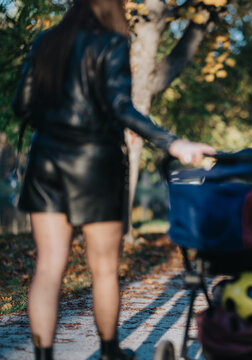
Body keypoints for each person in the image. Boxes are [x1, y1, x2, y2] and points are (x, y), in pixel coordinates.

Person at [11, 1, 215, 359]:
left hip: (46, 161)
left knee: (48, 266)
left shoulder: (46, 41)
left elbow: (21, 103)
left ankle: (43, 356)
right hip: (95, 163)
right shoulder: (110, 43)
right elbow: (121, 105)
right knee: (103, 267)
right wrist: (173, 142)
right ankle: (109, 353)